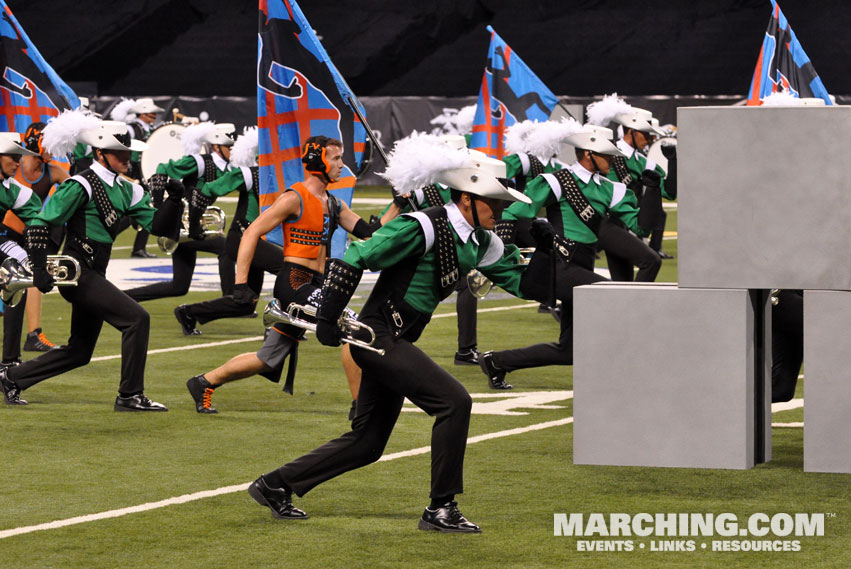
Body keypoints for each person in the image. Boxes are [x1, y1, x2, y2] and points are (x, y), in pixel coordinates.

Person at [244, 133, 552, 533]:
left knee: (368, 443)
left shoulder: (481, 241)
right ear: (467, 199)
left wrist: (546, 251)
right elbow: (355, 256)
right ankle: (440, 508)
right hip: (378, 336)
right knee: (454, 402)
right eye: (494, 201)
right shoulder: (421, 225)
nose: (500, 209)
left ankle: (274, 485)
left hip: (395, 339)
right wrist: (327, 319)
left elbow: (531, 288)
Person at [184, 135, 382, 415]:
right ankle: (361, 407)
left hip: (314, 284)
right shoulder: (294, 197)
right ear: (317, 161)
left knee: (268, 358)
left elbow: (370, 233)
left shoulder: (334, 203)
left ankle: (203, 382)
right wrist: (240, 284)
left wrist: (399, 202)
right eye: (336, 158)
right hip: (294, 283)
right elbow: (251, 232)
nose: (341, 164)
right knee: (353, 328)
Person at [0, 114, 183, 409]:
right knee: (138, 318)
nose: (127, 157)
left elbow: (161, 229)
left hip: (96, 271)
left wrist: (174, 199)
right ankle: (129, 395)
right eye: (120, 152)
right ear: (100, 153)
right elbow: (39, 223)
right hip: (78, 273)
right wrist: (38, 268)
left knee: (79, 351)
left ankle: (13, 378)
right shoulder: (80, 184)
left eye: (128, 152)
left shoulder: (129, 189)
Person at [479, 129, 657, 390]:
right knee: (613, 296)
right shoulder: (556, 181)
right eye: (606, 155)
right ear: (588, 154)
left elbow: (642, 229)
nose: (612, 161)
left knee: (569, 351)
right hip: (559, 265)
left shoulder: (612, 189)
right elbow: (514, 213)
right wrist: (501, 252)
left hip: (582, 265)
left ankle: (496, 362)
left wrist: (651, 190)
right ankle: (629, 370)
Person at [173, 127, 283, 335]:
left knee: (246, 304)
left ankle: (189, 312)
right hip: (243, 238)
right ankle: (282, 325)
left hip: (257, 241)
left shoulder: (284, 176)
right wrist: (195, 225)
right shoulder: (252, 174)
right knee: (287, 267)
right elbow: (205, 191)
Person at [122, 121, 235, 303]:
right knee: (226, 248)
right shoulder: (199, 162)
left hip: (191, 226)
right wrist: (157, 203)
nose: (232, 150)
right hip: (181, 225)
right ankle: (231, 300)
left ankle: (125, 298)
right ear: (216, 146)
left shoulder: (229, 168)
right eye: (229, 146)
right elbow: (163, 168)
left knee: (179, 287)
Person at [1, 123, 67, 364]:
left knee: (25, 274)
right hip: (9, 233)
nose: (17, 161)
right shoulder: (12, 177)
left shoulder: (48, 174)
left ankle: (23, 346)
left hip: (16, 236)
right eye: (12, 156)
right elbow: (9, 216)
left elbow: (37, 218)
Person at [111, 97, 165, 258]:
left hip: (146, 173)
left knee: (148, 208)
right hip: (132, 174)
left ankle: (139, 248)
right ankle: (109, 236)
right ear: (142, 114)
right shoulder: (132, 129)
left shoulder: (152, 130)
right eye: (151, 112)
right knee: (129, 212)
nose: (154, 115)